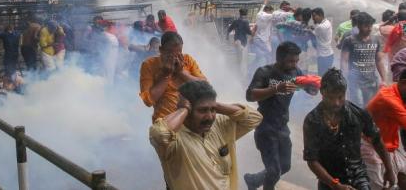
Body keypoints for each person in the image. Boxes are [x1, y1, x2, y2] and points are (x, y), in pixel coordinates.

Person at [149, 80, 263, 190]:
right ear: (188, 111)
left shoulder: (219, 125)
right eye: (202, 110)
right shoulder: (174, 139)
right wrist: (183, 109)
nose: (209, 117)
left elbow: (255, 118)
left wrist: (214, 105)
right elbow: (159, 134)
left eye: (213, 110)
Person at [303, 68, 395, 190]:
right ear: (322, 92)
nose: (336, 103)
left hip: (358, 177)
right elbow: (312, 160)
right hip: (329, 181)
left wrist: (389, 169)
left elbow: (377, 141)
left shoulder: (358, 114)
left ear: (345, 93)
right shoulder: (312, 121)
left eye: (340, 97)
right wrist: (335, 185)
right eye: (331, 97)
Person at [244, 41, 317, 190]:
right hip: (265, 126)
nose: (294, 64)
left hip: (282, 125)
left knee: (285, 165)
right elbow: (250, 96)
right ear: (279, 58)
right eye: (291, 61)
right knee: (273, 171)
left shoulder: (295, 72)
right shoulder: (264, 72)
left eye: (297, 61)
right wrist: (276, 88)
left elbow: (306, 86)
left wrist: (312, 89)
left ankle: (254, 180)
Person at [140, 32, 206, 123]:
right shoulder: (149, 65)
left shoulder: (187, 60)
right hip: (165, 121)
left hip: (191, 121)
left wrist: (181, 72)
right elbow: (148, 100)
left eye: (179, 53)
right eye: (170, 54)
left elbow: (205, 87)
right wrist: (166, 75)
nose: (175, 58)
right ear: (161, 50)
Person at [362, 69, 406, 189]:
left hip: (390, 144)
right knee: (382, 186)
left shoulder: (398, 91)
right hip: (370, 145)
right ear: (403, 82)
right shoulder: (389, 99)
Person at [341, 12, 386, 107]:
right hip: (355, 82)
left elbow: (379, 60)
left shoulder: (375, 40)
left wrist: (384, 79)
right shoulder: (349, 40)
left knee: (370, 106)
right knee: (357, 106)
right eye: (366, 26)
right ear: (359, 26)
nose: (369, 29)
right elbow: (344, 61)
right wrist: (344, 80)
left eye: (370, 26)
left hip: (371, 81)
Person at [226, 8, 252, 75]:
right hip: (242, 43)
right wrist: (253, 32)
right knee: (243, 59)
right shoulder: (246, 21)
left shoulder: (235, 21)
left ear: (240, 14)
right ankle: (241, 74)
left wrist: (227, 37)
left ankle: (237, 71)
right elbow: (248, 31)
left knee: (238, 57)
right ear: (246, 14)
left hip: (237, 41)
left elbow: (229, 29)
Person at [312, 8, 334, 76]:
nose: (313, 18)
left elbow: (312, 34)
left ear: (321, 15)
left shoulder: (320, 27)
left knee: (321, 77)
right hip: (329, 54)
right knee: (326, 77)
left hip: (323, 56)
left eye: (314, 16)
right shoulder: (327, 22)